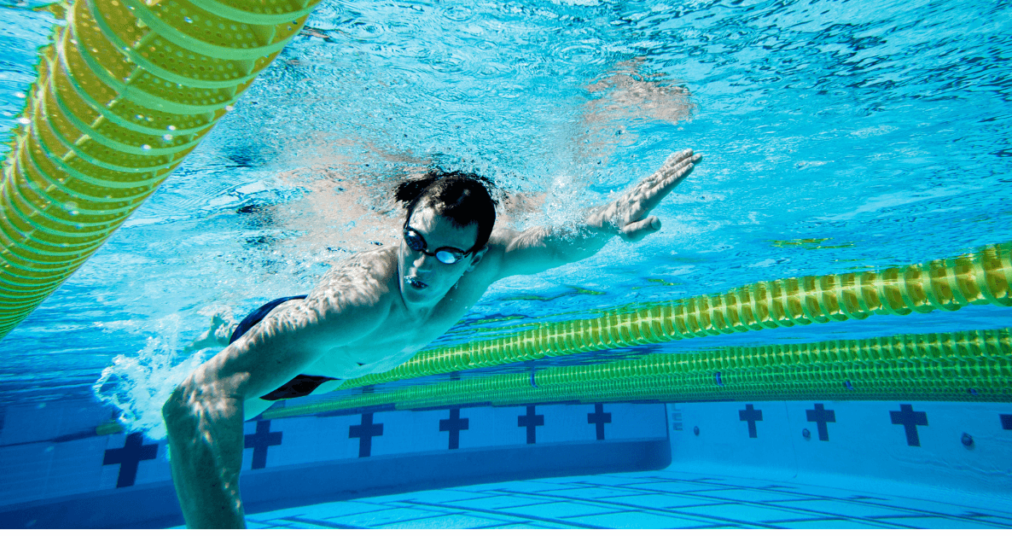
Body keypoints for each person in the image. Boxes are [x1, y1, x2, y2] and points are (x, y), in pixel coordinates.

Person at [162, 149, 702, 528]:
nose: (420, 266)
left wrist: (607, 221)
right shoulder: (361, 303)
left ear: (473, 257)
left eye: (445, 254)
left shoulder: (486, 266)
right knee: (214, 411)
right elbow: (194, 403)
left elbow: (556, 246)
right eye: (414, 242)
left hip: (330, 372)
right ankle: (215, 335)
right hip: (300, 353)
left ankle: (210, 338)